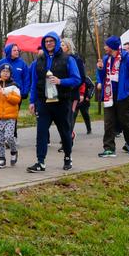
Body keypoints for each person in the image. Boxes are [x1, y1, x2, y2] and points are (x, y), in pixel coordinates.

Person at [27, 32, 81, 172]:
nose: (49, 43)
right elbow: (34, 83)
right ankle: (40, 162)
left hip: (61, 101)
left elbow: (77, 79)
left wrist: (60, 81)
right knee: (41, 132)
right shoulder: (38, 60)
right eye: (46, 41)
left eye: (51, 41)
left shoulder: (68, 59)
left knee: (64, 131)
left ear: (56, 42)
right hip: (43, 102)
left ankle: (68, 157)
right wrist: (32, 101)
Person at [96, 35, 129, 158]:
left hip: (123, 95)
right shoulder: (106, 59)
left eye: (106, 45)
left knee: (124, 121)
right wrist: (100, 69)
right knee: (109, 122)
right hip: (109, 94)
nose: (104, 47)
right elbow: (103, 75)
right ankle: (109, 148)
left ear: (113, 47)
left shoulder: (127, 59)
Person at [0, 43, 30, 139]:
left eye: (18, 50)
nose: (17, 52)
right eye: (14, 50)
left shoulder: (22, 64)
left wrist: (25, 91)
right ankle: (3, 136)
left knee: (13, 115)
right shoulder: (1, 63)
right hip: (2, 94)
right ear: (9, 51)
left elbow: (26, 78)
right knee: (2, 115)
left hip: (16, 94)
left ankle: (13, 136)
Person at [0, 64, 21, 168]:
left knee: (9, 136)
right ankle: (2, 158)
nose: (5, 73)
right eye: (3, 71)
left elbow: (17, 100)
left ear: (10, 74)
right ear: (0, 72)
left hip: (10, 117)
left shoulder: (14, 86)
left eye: (8, 72)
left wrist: (7, 95)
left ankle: (13, 151)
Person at [60, 39, 87, 147]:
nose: (61, 47)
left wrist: (72, 87)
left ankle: (67, 141)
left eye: (63, 45)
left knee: (69, 117)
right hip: (61, 93)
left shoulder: (76, 59)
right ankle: (68, 136)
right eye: (60, 45)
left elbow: (82, 77)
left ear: (68, 47)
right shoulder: (59, 59)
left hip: (72, 93)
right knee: (62, 117)